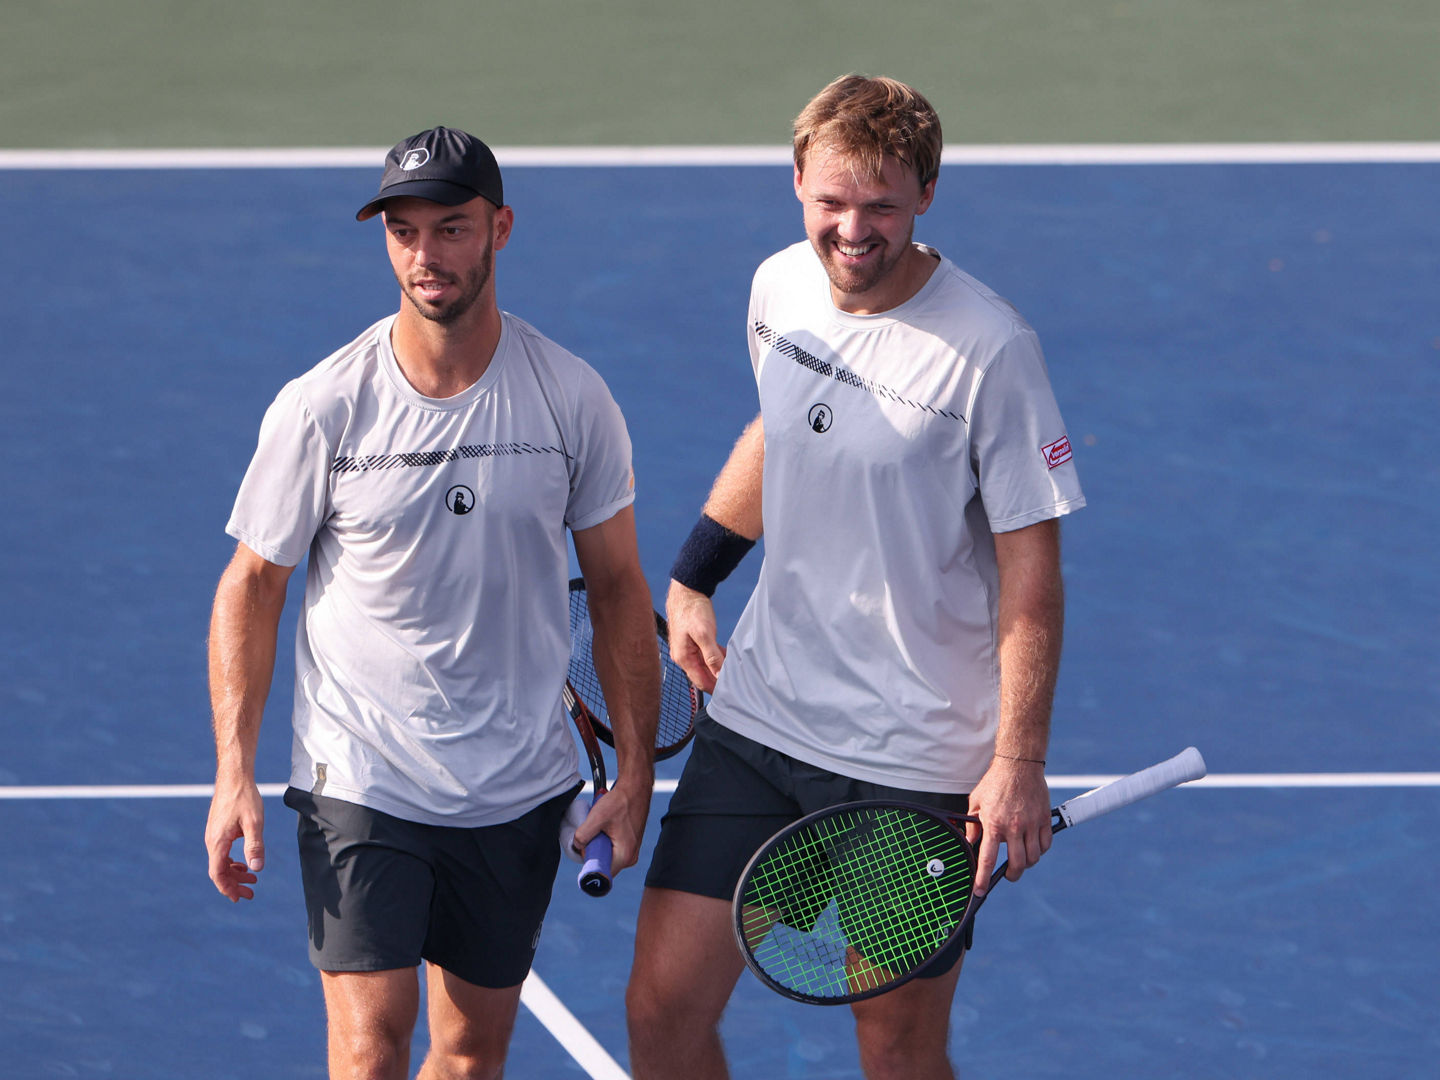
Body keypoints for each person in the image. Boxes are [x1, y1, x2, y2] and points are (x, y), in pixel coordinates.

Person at [625, 76, 1086, 1080]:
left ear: (926, 194)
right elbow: (784, 427)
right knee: (661, 1013)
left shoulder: (990, 351)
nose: (852, 229)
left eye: (880, 204)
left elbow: (1033, 573)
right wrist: (696, 576)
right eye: (832, 201)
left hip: (915, 759)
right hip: (762, 722)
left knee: (898, 1050)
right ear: (797, 179)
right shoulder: (778, 287)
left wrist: (1018, 758)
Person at [203, 126, 660, 1080]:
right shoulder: (325, 405)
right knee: (371, 1050)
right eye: (403, 231)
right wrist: (233, 772)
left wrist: (633, 776)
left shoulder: (571, 398)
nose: (425, 255)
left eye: (450, 229)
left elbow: (619, 589)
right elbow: (252, 583)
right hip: (362, 774)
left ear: (500, 228)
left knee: (467, 1057)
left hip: (516, 785)